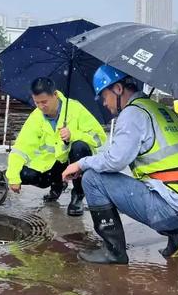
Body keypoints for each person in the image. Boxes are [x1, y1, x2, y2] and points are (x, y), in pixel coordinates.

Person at [62, 65, 178, 264]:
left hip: (168, 207)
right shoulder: (162, 110)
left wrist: (81, 163)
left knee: (93, 179)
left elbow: (115, 161)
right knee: (140, 184)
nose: (104, 102)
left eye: (104, 95)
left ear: (118, 89)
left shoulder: (133, 113)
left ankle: (114, 251)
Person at [6, 77, 106, 216]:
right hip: (52, 164)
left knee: (80, 147)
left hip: (74, 163)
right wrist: (13, 176)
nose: (41, 106)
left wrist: (73, 135)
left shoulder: (75, 109)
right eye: (37, 102)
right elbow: (21, 148)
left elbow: (99, 137)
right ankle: (57, 184)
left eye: (44, 102)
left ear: (55, 95)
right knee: (24, 174)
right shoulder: (36, 117)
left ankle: (78, 194)